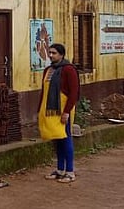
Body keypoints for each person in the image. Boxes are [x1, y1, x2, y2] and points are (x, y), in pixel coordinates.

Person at [37, 43, 80, 183]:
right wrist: (39, 110)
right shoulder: (48, 70)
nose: (51, 55)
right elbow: (44, 92)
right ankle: (60, 169)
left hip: (63, 110)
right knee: (57, 139)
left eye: (54, 53)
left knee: (65, 137)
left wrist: (66, 112)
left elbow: (74, 93)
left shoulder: (69, 70)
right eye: (49, 52)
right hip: (50, 111)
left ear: (61, 55)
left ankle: (70, 172)